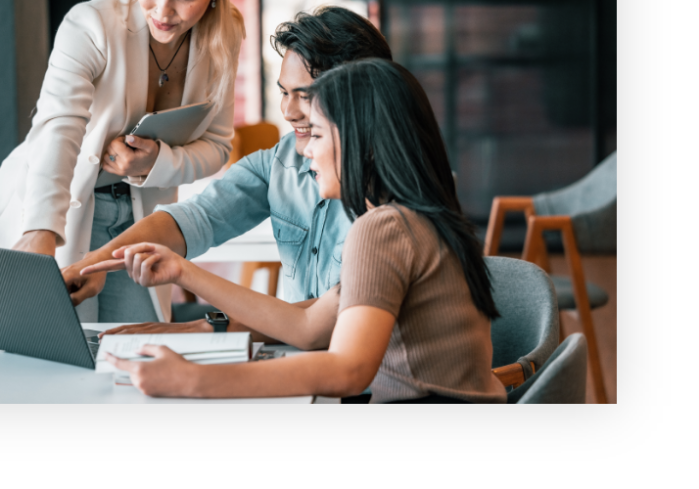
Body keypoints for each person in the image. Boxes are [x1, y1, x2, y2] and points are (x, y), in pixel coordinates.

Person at [84, 58, 507, 404]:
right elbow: (307, 328)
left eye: (318, 135)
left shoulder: (384, 229)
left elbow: (347, 369)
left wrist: (193, 381)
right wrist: (182, 273)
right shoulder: (416, 217)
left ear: (365, 145)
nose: (305, 151)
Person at [63, 6, 392, 340]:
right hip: (290, 358)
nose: (288, 111)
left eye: (305, 95)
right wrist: (93, 263)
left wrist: (198, 328)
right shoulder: (281, 161)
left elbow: (320, 326)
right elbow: (194, 218)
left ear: (358, 94)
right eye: (283, 92)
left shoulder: (391, 204)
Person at [0, 0, 245, 323]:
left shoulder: (225, 33)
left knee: (137, 352)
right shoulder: (90, 24)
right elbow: (59, 127)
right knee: (60, 363)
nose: (164, 10)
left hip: (141, 219)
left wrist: (155, 163)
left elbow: (217, 146)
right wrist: (40, 229)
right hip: (57, 204)